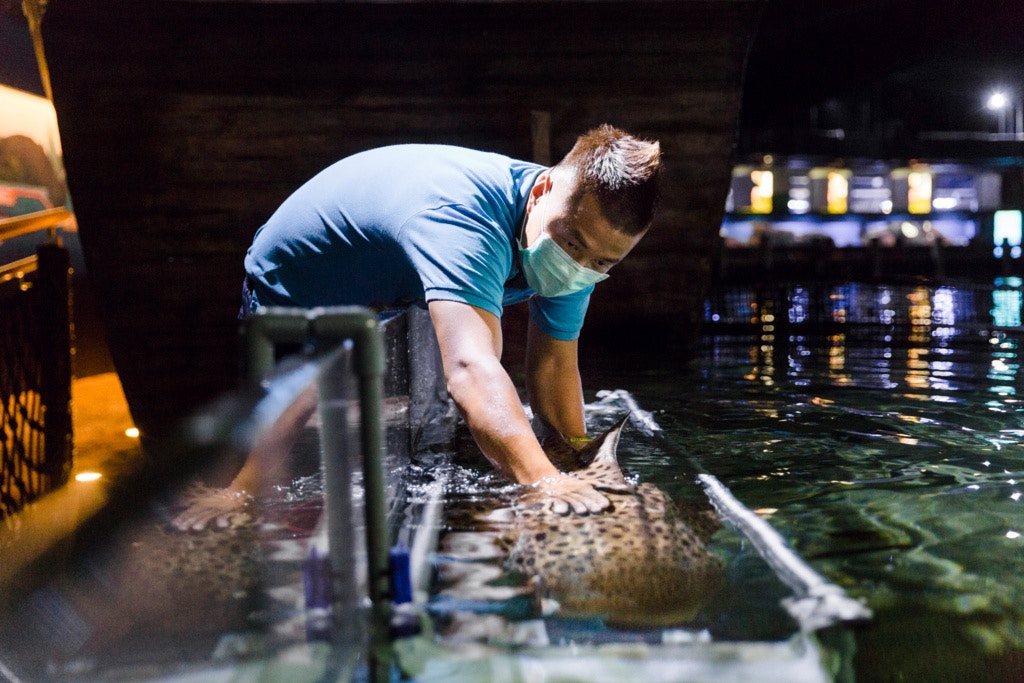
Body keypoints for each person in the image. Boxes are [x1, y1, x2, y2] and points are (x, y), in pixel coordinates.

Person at [172, 124, 661, 530]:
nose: (580, 267)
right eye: (573, 246)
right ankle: (225, 506)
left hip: (378, 291)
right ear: (540, 191)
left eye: (602, 261)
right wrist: (543, 482)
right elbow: (470, 368)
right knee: (269, 458)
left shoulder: (573, 237)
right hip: (295, 285)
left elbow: (555, 363)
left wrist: (578, 460)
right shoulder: (465, 221)